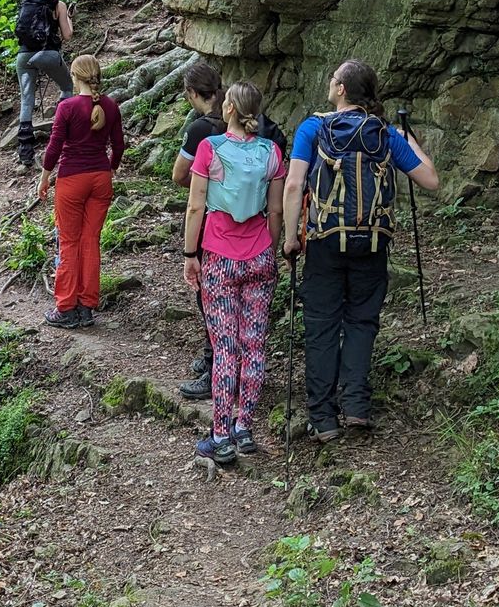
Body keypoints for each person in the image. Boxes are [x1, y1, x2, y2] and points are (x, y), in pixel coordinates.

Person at [280, 59, 438, 442]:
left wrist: (289, 239)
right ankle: (355, 406)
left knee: (321, 325)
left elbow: (293, 185)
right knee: (361, 321)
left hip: (324, 240)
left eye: (333, 78)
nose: (331, 82)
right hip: (372, 241)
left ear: (340, 90)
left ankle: (323, 417)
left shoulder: (313, 127)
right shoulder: (384, 133)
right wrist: (408, 137)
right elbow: (430, 179)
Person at [181, 81, 285, 465]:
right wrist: (268, 249)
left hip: (220, 256)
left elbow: (195, 207)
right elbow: (275, 211)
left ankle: (221, 434)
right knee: (254, 345)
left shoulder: (210, 149)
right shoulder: (271, 152)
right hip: (259, 255)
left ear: (229, 109)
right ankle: (245, 428)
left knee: (226, 346)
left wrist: (191, 253)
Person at [40, 53, 123, 328]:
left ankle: (66, 308)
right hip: (100, 179)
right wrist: (109, 168)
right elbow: (119, 145)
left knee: (69, 241)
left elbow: (54, 147)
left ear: (75, 77)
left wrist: (44, 178)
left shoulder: (68, 107)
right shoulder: (110, 106)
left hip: (72, 180)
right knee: (90, 241)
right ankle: (87, 307)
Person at [14, 0, 75, 171]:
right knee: (67, 86)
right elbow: (67, 35)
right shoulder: (58, 4)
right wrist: (69, 18)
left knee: (26, 100)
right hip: (48, 54)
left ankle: (25, 152)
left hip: (24, 56)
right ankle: (61, 134)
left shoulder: (27, 2)